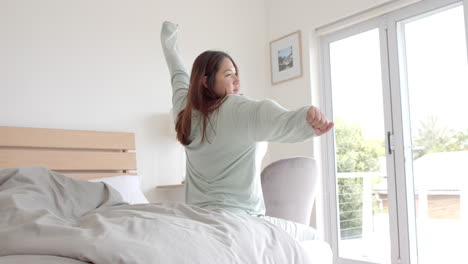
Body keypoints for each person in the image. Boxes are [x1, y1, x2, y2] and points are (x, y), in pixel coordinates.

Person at [160, 21, 333, 241]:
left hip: (197, 218)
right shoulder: (234, 107)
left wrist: (169, 41)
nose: (237, 80)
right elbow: (269, 116)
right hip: (242, 221)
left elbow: (178, 75)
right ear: (206, 81)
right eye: (229, 74)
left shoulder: (184, 112)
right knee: (313, 238)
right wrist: (305, 120)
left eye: (236, 73)